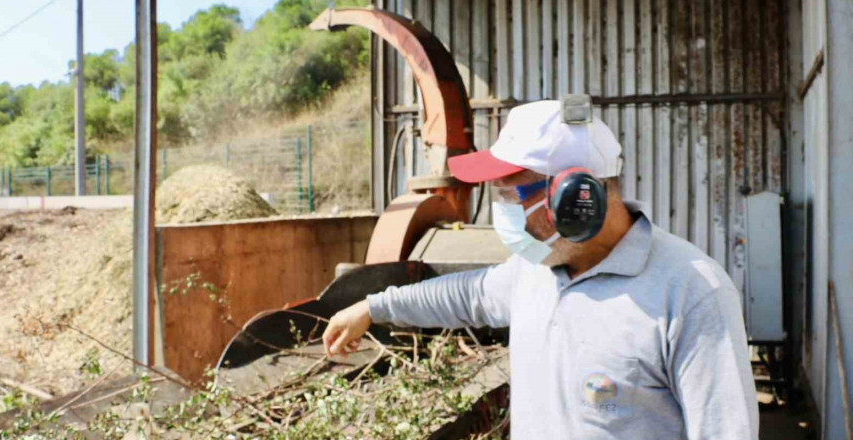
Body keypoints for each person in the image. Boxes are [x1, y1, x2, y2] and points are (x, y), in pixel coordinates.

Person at [322, 98, 758, 439]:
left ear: (576, 198)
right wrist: (373, 307)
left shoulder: (690, 292)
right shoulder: (536, 271)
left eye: (511, 198)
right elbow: (468, 295)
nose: (501, 215)